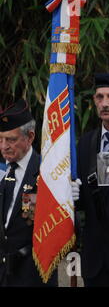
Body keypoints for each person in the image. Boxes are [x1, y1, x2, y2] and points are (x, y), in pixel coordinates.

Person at [72, 73, 109, 286]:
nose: (104, 103)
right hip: (95, 258)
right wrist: (72, 195)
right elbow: (84, 201)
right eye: (99, 97)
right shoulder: (86, 142)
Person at [0, 99, 57, 286]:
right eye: (0, 139)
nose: (4, 146)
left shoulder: (48, 174)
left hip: (31, 275)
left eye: (11, 139)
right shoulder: (3, 171)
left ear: (30, 137)